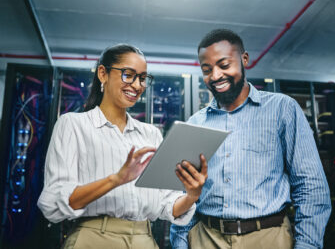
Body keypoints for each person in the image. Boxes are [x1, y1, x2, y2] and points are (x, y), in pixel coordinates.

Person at [170, 29, 331, 249]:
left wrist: (307, 245)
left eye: (224, 65)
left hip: (268, 238)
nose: (215, 76)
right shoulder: (195, 123)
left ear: (244, 59)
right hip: (206, 238)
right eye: (207, 70)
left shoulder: (282, 109)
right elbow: (184, 194)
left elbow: (310, 187)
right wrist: (180, 244)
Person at [37, 44, 208, 249]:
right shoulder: (73, 125)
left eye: (143, 78)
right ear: (103, 73)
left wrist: (192, 195)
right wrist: (116, 180)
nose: (137, 85)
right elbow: (54, 203)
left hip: (144, 240)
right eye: (129, 75)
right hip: (94, 239)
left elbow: (167, 205)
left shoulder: (151, 134)